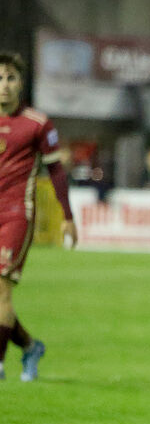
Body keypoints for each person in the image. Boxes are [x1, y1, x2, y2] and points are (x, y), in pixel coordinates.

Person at [0, 52, 77, 381]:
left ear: (21, 83)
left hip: (18, 212)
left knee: (2, 290)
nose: (4, 86)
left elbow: (56, 170)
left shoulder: (37, 123)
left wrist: (67, 216)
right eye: (0, 78)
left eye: (11, 78)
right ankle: (30, 346)